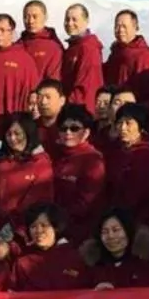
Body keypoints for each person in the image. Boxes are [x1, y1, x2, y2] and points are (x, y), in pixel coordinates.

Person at [0, 113, 55, 249]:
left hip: (24, 234)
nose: (13, 139)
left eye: (18, 134)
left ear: (28, 133)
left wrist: (11, 229)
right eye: (9, 134)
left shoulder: (41, 163)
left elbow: (37, 201)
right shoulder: (0, 163)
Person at [0, 203, 90, 290]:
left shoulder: (74, 257)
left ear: (55, 228)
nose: (38, 231)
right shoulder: (23, 264)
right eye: (33, 227)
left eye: (44, 225)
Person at [52, 104, 108, 243]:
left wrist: (58, 221)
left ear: (87, 132)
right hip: (54, 228)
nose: (68, 133)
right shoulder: (56, 156)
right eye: (63, 129)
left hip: (80, 233)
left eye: (75, 128)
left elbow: (86, 202)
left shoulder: (93, 159)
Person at [105, 103, 149, 227]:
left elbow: (137, 192)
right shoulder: (114, 151)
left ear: (140, 127)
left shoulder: (145, 153)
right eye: (119, 123)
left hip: (137, 219)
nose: (123, 128)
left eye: (129, 123)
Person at [85, 208, 149, 289]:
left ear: (128, 231)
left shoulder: (145, 265)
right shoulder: (93, 268)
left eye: (115, 230)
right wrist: (95, 294)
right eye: (105, 232)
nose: (111, 236)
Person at [103, 9, 149, 101]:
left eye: (124, 26)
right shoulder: (116, 52)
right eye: (117, 26)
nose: (120, 30)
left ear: (135, 28)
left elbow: (148, 91)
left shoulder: (143, 56)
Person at [60, 3, 104, 108]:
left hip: (80, 108)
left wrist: (71, 107)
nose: (70, 23)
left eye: (74, 19)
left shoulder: (88, 48)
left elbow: (85, 85)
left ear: (86, 21)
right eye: (67, 19)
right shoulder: (73, 48)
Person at [19, 0, 65, 82]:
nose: (30, 21)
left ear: (45, 17)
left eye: (35, 17)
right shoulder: (18, 46)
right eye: (26, 17)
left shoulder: (53, 47)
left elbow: (54, 79)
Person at [34, 79, 67, 153]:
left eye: (48, 97)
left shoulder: (71, 129)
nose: (43, 102)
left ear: (62, 100)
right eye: (39, 97)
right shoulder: (31, 127)